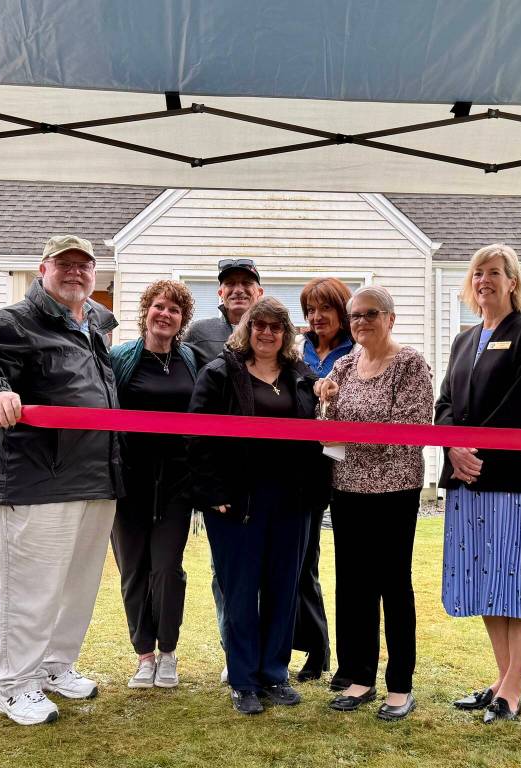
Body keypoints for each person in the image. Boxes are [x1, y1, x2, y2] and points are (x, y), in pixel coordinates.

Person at [0, 235, 123, 726]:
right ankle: (13, 686)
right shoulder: (13, 321)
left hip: (96, 477)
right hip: (37, 481)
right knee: (32, 589)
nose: (75, 272)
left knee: (77, 586)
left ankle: (54, 667)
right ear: (42, 269)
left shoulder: (93, 324)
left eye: (84, 265)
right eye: (64, 264)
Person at [188, 297, 326, 715]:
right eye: (259, 325)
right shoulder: (220, 373)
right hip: (236, 503)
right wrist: (212, 493)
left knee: (284, 589)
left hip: (292, 502)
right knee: (242, 591)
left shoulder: (300, 376)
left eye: (275, 327)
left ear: (286, 334)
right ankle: (244, 680)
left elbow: (318, 436)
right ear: (246, 329)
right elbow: (196, 436)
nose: (267, 333)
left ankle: (274, 673)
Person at [436, 243, 521, 724]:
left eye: (495, 273)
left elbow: (519, 405)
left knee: (518, 582)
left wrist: (473, 452)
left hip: (512, 479)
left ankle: (513, 685)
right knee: (486, 582)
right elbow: (444, 404)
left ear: (513, 282)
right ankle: (506, 685)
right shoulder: (463, 340)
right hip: (466, 480)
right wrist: (451, 449)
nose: (484, 280)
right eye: (478, 273)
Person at [318, 285, 433, 722]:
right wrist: (324, 404)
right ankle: (358, 677)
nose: (361, 322)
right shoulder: (345, 365)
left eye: (370, 314)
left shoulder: (409, 365)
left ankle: (400, 685)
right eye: (355, 316)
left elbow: (413, 425)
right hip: (346, 488)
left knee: (393, 585)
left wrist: (348, 432)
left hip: (394, 490)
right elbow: (327, 424)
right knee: (352, 584)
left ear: (390, 318)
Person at [110, 280, 198, 690]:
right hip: (129, 481)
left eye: (174, 310)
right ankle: (143, 655)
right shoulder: (120, 359)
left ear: (182, 320)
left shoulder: (191, 360)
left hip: (178, 483)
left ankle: (167, 651)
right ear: (146, 311)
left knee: (166, 568)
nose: (165, 314)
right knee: (134, 570)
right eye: (159, 307)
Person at [182, 257, 263, 681]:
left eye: (246, 284)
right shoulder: (201, 335)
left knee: (270, 570)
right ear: (219, 293)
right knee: (225, 571)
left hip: (267, 475)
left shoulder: (273, 330)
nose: (238, 290)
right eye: (230, 284)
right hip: (221, 474)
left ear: (259, 292)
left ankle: (268, 654)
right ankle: (233, 650)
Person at [293, 277, 354, 683]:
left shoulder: (359, 351)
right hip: (305, 468)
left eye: (324, 309)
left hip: (351, 468)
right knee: (303, 562)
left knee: (353, 570)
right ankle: (316, 647)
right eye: (310, 310)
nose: (316, 317)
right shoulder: (298, 353)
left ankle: (354, 663)